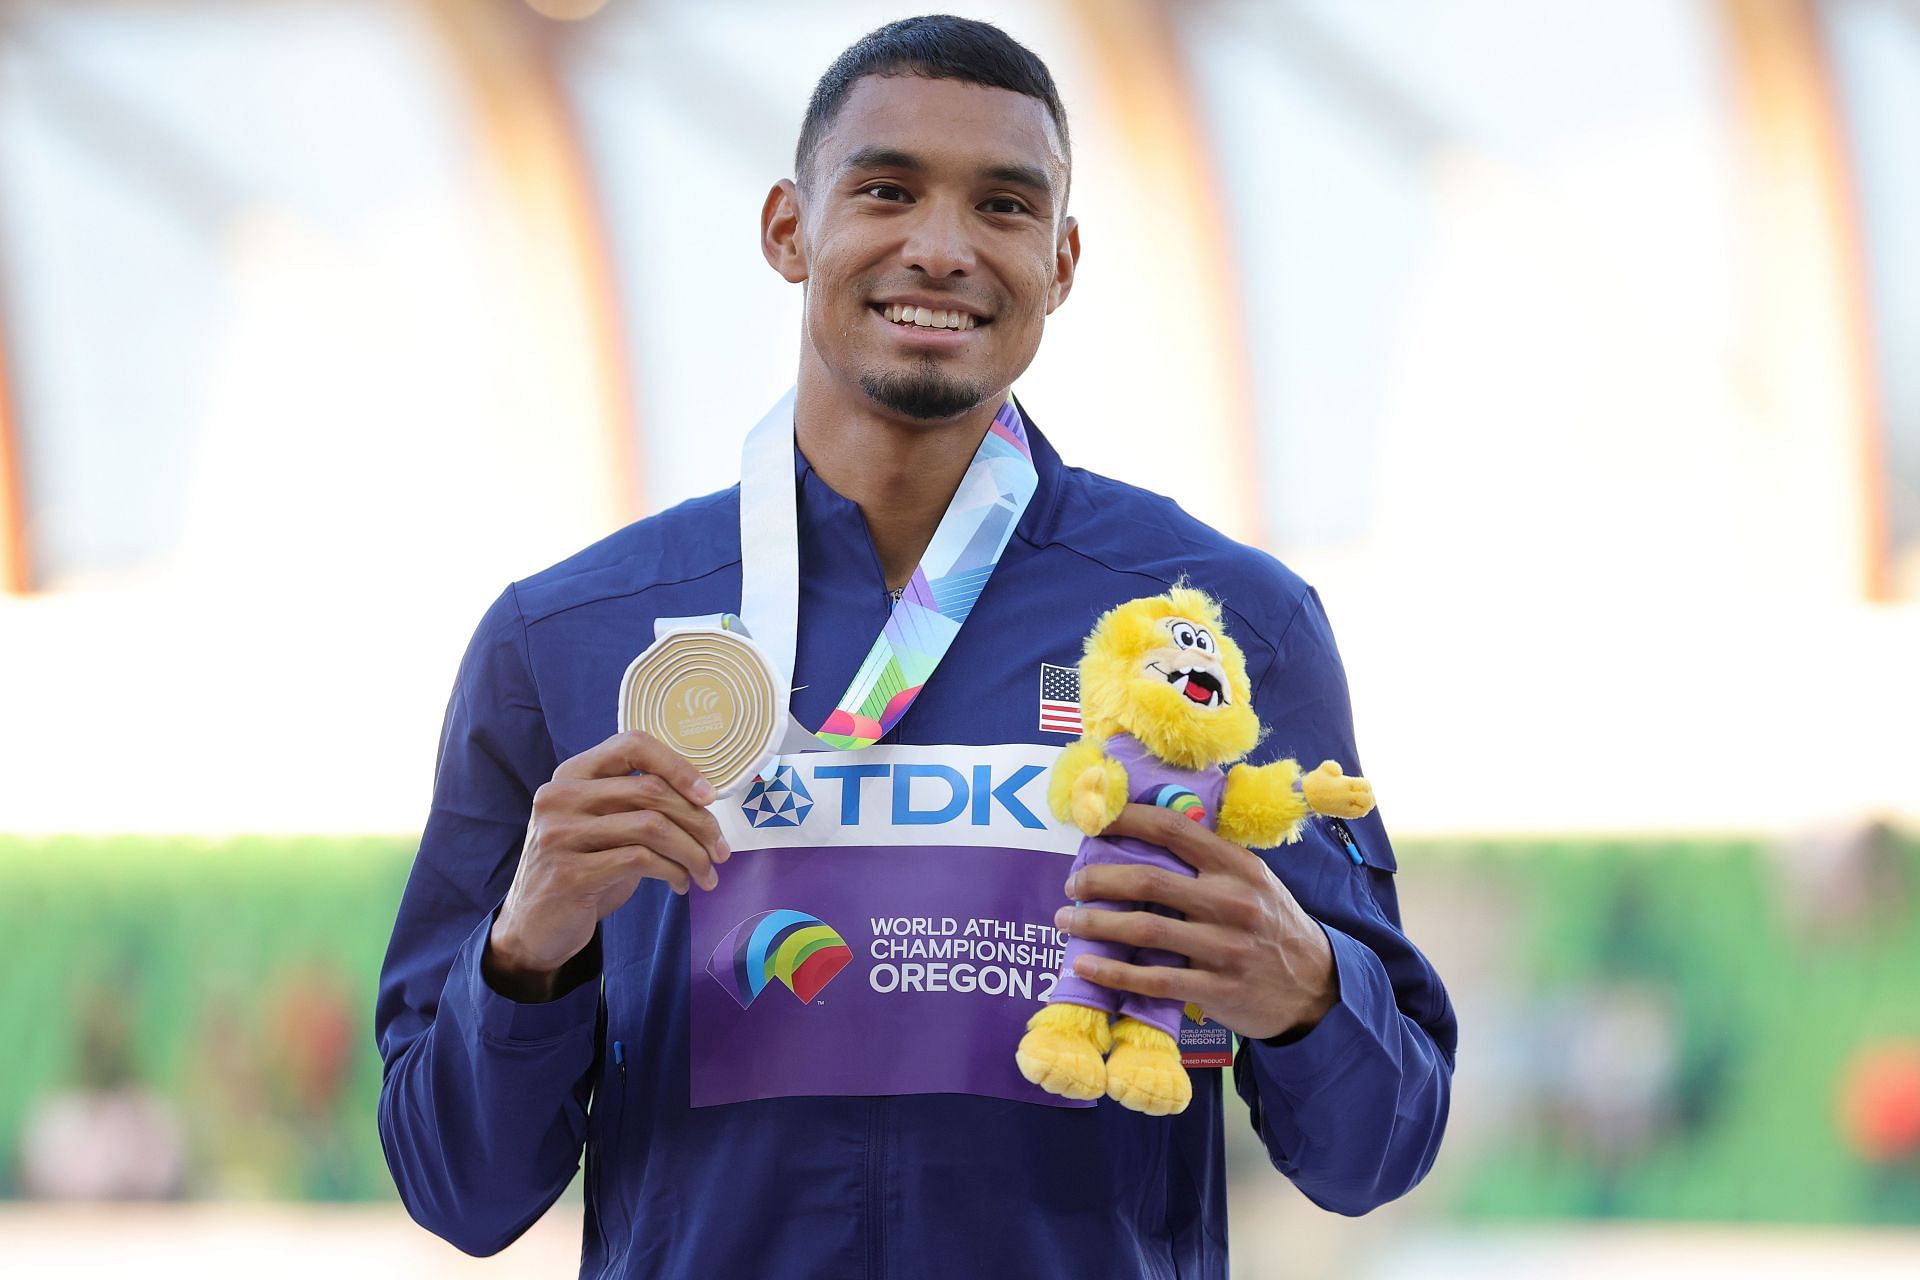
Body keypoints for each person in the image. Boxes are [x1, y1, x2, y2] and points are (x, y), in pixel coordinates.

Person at [375, 15, 1455, 1279]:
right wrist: (526, 946)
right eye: (887, 189)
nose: (941, 248)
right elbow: (458, 1188)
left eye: (1004, 206)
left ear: (1060, 260)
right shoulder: (567, 635)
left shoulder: (1220, 625)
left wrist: (1310, 990)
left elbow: (1376, 1150)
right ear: (790, 227)